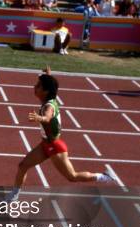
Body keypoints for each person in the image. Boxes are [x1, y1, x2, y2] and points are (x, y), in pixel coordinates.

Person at [6, 66, 115, 201]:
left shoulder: (49, 106)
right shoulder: (51, 96)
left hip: (56, 147)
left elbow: (47, 117)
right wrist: (48, 74)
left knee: (72, 177)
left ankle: (104, 177)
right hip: (45, 145)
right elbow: (53, 88)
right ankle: (14, 195)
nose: (35, 87)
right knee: (23, 166)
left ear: (45, 92)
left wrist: (39, 118)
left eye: (38, 86)